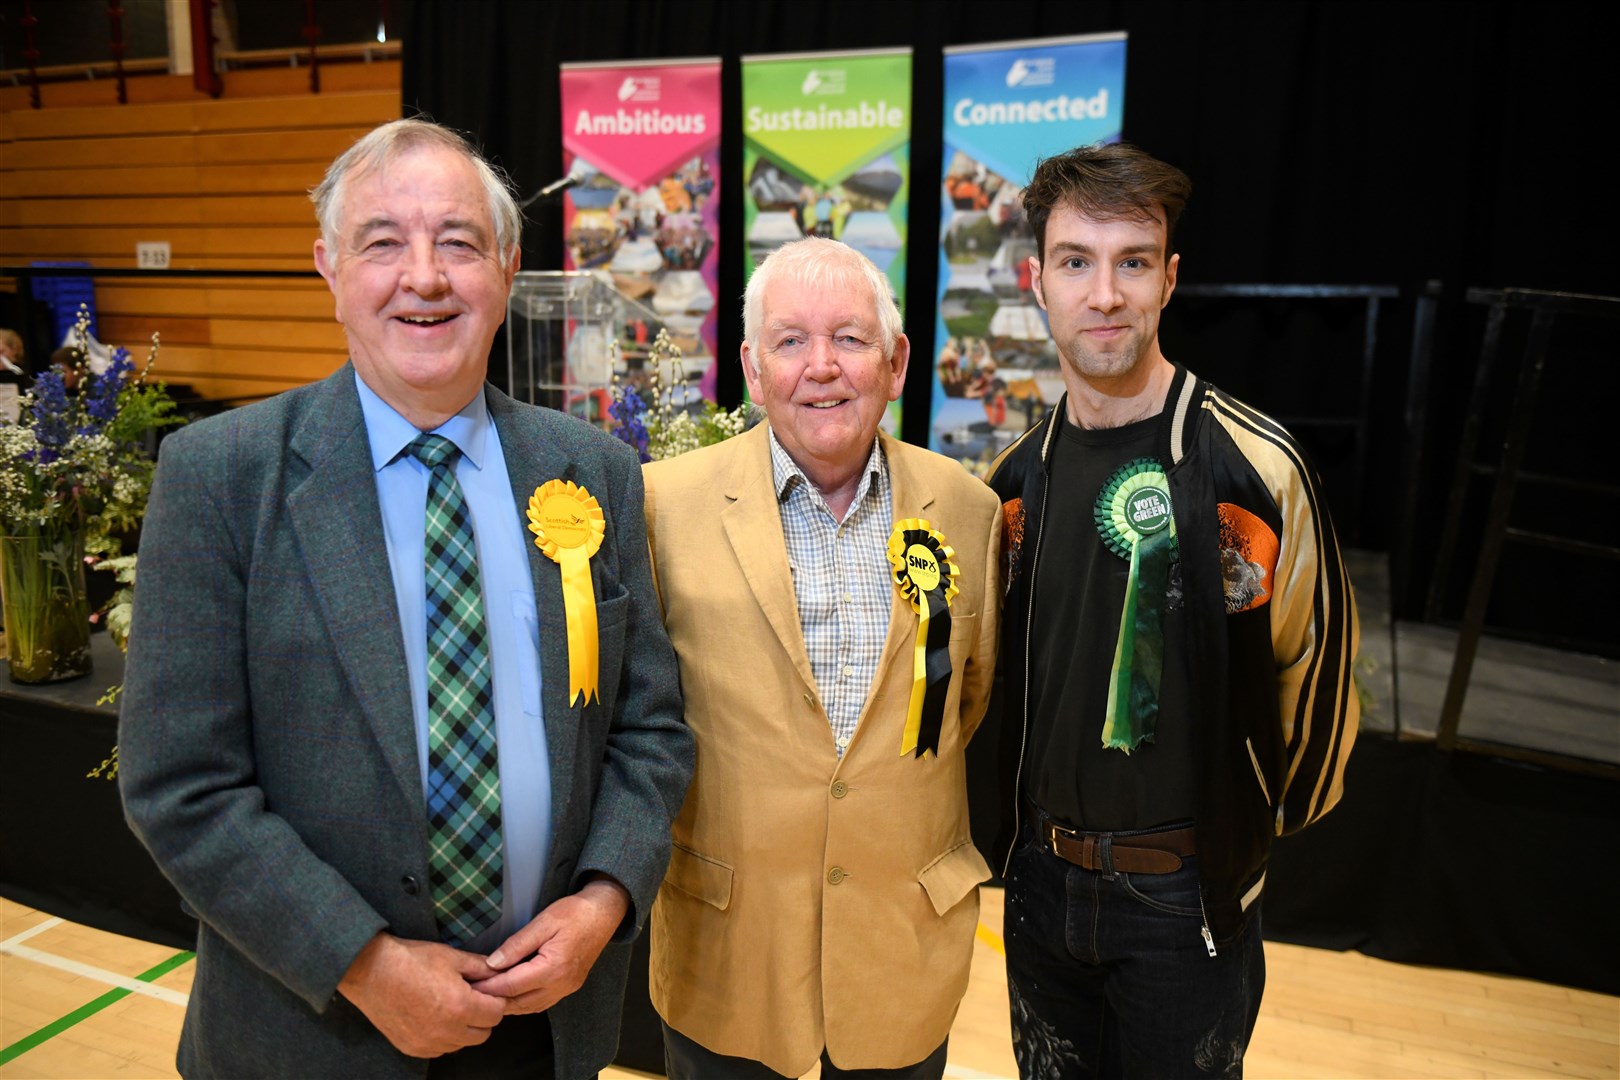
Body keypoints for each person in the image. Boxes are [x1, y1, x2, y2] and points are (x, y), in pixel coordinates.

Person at [118, 118, 695, 1080]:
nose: (423, 277)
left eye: (459, 243)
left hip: (542, 1027)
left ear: (507, 269)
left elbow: (650, 729)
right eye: (382, 241)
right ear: (329, 270)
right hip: (317, 1033)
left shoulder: (591, 471)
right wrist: (365, 964)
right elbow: (180, 785)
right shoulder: (221, 476)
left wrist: (603, 902)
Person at [983, 142, 1360, 1078]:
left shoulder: (1255, 474)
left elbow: (1313, 679)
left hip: (1184, 900)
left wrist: (1239, 845)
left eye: (1132, 262)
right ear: (1038, 281)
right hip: (1038, 888)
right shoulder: (1010, 484)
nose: (1103, 294)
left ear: (1169, 279)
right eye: (1077, 261)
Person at [643, 236, 1002, 1080]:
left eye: (850, 337)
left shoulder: (970, 508)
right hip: (728, 948)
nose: (823, 367)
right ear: (752, 366)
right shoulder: (664, 505)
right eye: (791, 340)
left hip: (902, 946)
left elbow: (969, 698)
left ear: (897, 359)